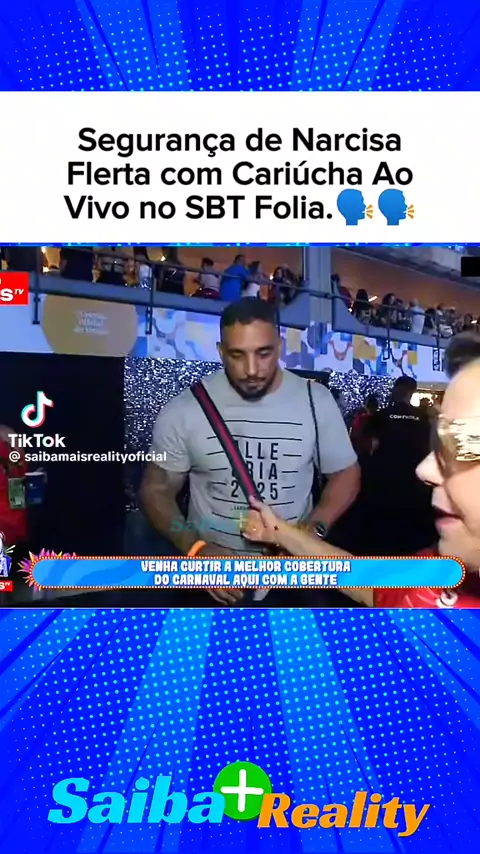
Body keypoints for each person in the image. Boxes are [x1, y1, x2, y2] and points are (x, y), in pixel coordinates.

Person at [140, 298, 360, 606]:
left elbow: (345, 473)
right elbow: (156, 489)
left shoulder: (316, 400)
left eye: (263, 353)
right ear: (220, 352)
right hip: (214, 580)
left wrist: (310, 534)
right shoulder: (185, 408)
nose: (252, 369)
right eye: (237, 355)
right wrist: (195, 549)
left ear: (279, 347)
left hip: (291, 577)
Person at [242, 355, 480, 608]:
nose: (425, 469)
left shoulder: (383, 418)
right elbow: (374, 586)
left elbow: (364, 446)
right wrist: (279, 532)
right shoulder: (438, 574)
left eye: (462, 445)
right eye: (438, 445)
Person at [359, 376, 436, 555]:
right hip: (416, 484)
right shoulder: (424, 418)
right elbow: (432, 447)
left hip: (386, 481)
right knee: (412, 534)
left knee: (384, 533)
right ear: (412, 391)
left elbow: (368, 446)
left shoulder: (381, 416)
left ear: (396, 389)